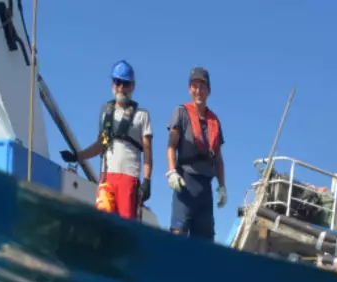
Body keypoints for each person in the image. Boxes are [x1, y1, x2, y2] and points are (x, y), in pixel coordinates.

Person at [60, 60, 153, 221]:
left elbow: (148, 153)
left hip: (129, 178)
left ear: (133, 86)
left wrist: (147, 181)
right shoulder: (105, 112)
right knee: (103, 225)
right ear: (112, 83)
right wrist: (77, 156)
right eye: (117, 82)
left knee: (126, 229)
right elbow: (100, 144)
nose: (121, 88)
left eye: (125, 83)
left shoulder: (142, 115)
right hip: (107, 178)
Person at [166, 67, 227, 239]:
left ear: (209, 90)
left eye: (202, 87)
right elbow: (171, 146)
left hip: (205, 190)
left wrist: (222, 187)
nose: (198, 91)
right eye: (194, 86)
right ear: (189, 89)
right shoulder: (181, 113)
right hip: (185, 184)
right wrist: (171, 172)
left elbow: (219, 160)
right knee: (178, 237)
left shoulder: (215, 121)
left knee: (204, 245)